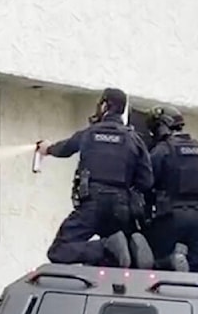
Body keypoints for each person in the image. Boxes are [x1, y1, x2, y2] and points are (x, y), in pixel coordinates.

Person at [37, 88, 155, 269]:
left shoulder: (89, 134)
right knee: (119, 259)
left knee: (59, 250)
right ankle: (128, 248)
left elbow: (64, 149)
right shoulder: (134, 139)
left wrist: (47, 148)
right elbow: (146, 181)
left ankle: (105, 247)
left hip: (92, 205)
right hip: (122, 209)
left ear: (106, 105)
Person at [142, 106, 198, 274]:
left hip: (170, 216)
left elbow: (146, 182)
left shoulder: (162, 150)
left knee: (159, 265)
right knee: (196, 266)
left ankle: (171, 261)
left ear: (161, 127)